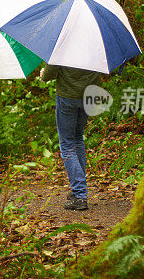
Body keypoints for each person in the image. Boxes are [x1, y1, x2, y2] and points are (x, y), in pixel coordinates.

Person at [40, 64, 105, 211]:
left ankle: (80, 194)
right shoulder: (96, 45)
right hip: (89, 95)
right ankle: (79, 190)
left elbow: (48, 74)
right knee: (77, 138)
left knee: (68, 143)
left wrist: (43, 73)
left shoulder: (64, 43)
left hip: (68, 97)